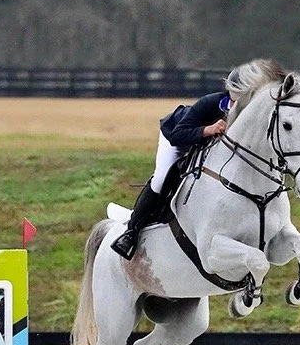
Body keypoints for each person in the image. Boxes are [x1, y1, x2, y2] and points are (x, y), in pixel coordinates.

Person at [110, 60, 285, 260]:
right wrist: (208, 129)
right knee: (160, 179)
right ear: (231, 93)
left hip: (205, 147)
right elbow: (178, 135)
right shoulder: (210, 103)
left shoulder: (250, 112)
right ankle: (131, 232)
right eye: (238, 98)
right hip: (176, 139)